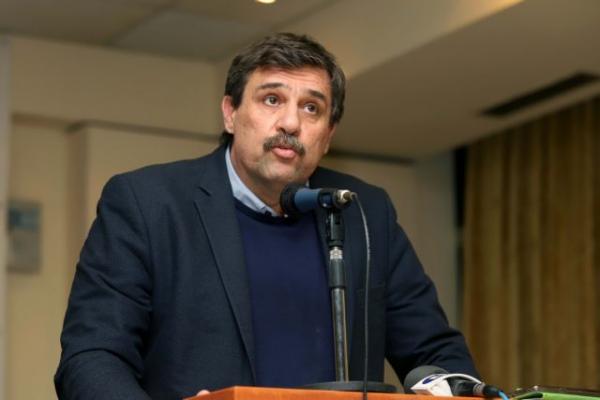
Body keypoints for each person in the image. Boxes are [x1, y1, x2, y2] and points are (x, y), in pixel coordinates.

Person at [55, 33, 477, 400]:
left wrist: (451, 387)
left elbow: (435, 354)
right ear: (230, 113)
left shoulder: (363, 210)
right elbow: (92, 357)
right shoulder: (148, 203)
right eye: (272, 99)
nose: (290, 122)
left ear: (328, 135)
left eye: (311, 108)